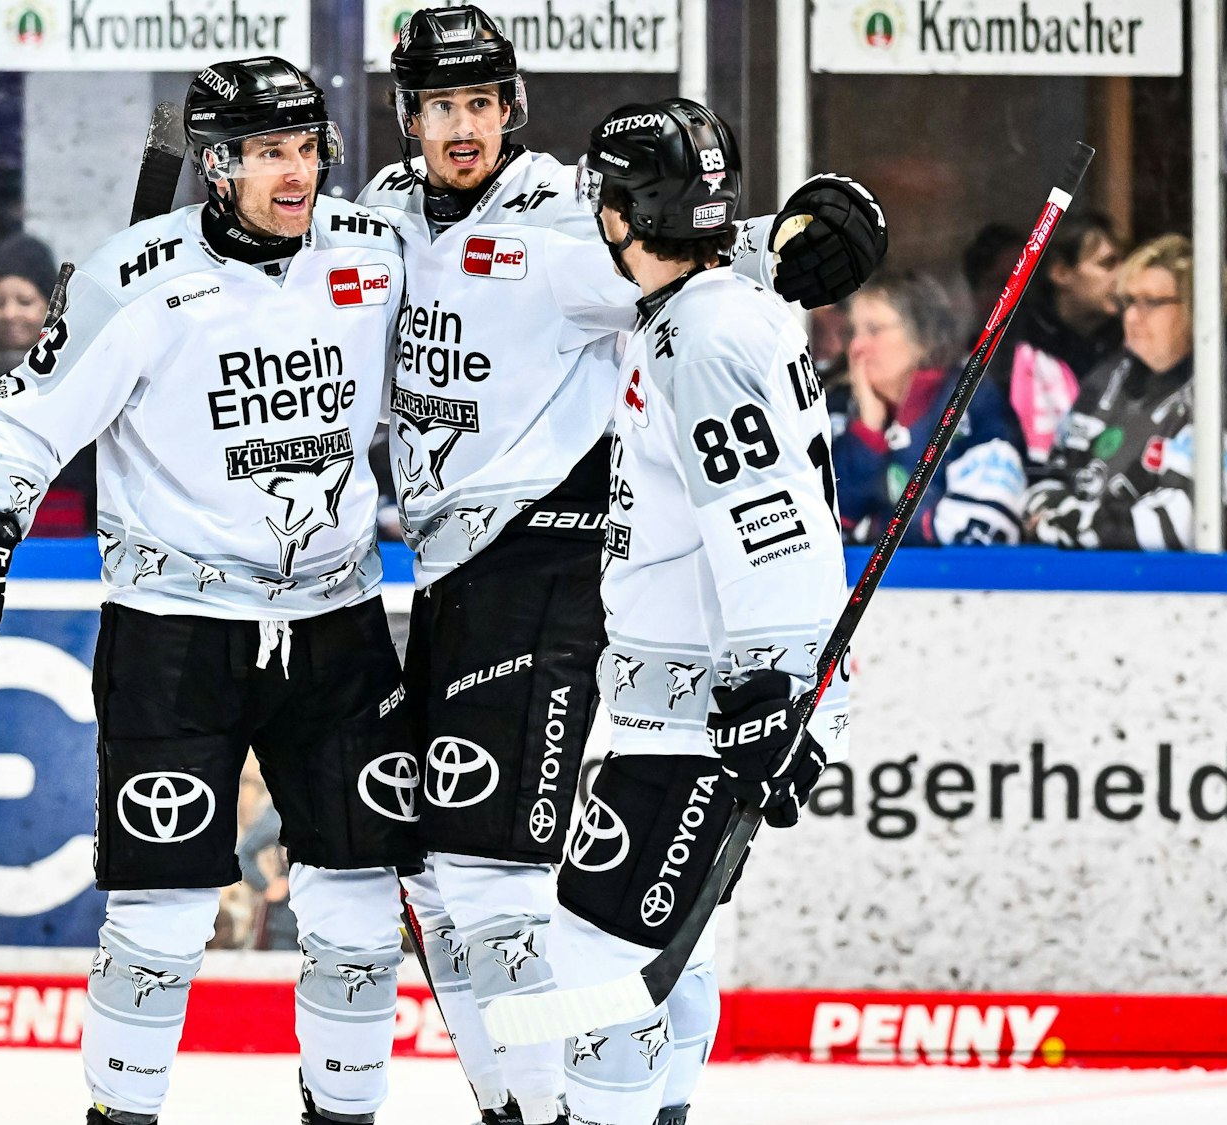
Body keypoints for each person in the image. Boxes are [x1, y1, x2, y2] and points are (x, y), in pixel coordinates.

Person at [356, 9, 886, 1123]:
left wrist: (798, 234)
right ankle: (618, 1103)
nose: (463, 126)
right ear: (407, 116)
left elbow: (769, 515)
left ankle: (543, 1107)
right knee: (599, 937)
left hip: (550, 576)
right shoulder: (388, 220)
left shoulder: (600, 242)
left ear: (514, 110)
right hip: (492, 595)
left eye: (483, 103)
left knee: (558, 937)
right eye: (441, 105)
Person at [0, 58, 420, 1125]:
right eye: (269, 153)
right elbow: (28, 417)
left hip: (335, 621)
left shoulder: (374, 252)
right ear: (217, 163)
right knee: (159, 916)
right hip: (175, 633)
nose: (298, 173)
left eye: (308, 148)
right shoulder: (128, 277)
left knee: (362, 903)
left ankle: (344, 1112)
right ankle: (122, 1114)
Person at [543, 99, 849, 1125]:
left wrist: (770, 690)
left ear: (628, 212)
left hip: (705, 706)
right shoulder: (722, 307)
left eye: (606, 198)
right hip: (687, 699)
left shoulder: (700, 337)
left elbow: (767, 519)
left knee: (596, 952)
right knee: (672, 948)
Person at [1025, 234, 1227, 551]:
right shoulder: (1109, 378)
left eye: (1151, 303)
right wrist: (1053, 509)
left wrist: (1079, 525)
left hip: (1191, 592)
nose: (1132, 317)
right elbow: (1049, 476)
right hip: (1085, 586)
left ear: (1196, 306)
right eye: (1128, 302)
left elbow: (1189, 523)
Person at [831, 271, 1027, 545]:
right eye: (852, 332)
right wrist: (867, 432)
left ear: (923, 335)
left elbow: (984, 526)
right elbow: (822, 528)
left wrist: (873, 526)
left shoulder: (969, 398)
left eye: (874, 330)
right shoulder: (837, 406)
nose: (856, 346)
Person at [0, 231, 97, 537]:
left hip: (71, 547)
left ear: (51, 307)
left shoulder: (83, 375)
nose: (10, 314)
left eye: (25, 301)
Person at [990, 211, 1124, 463]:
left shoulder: (1130, 341)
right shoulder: (1014, 352)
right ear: (1061, 273)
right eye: (1107, 264)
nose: (1122, 275)